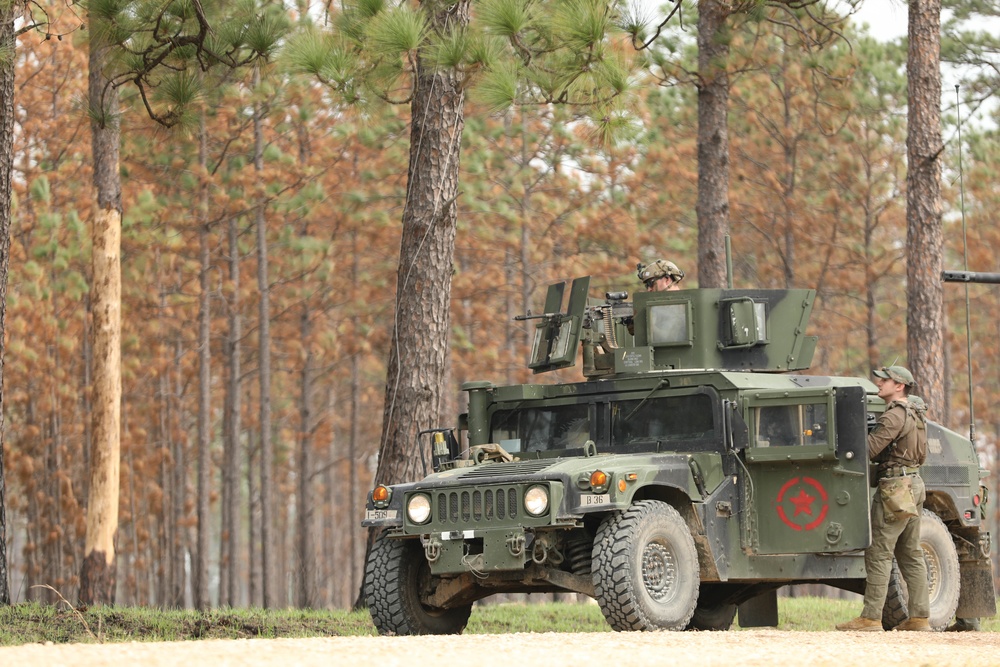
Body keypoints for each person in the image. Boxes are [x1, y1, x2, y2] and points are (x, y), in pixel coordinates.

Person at [836, 364, 931, 632]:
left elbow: (869, 449)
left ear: (899, 386)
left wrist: (852, 437)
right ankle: (920, 617)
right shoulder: (914, 412)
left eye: (886, 380)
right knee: (910, 552)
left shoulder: (894, 416)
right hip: (913, 482)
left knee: (878, 551)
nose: (879, 383)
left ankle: (870, 618)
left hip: (896, 488)